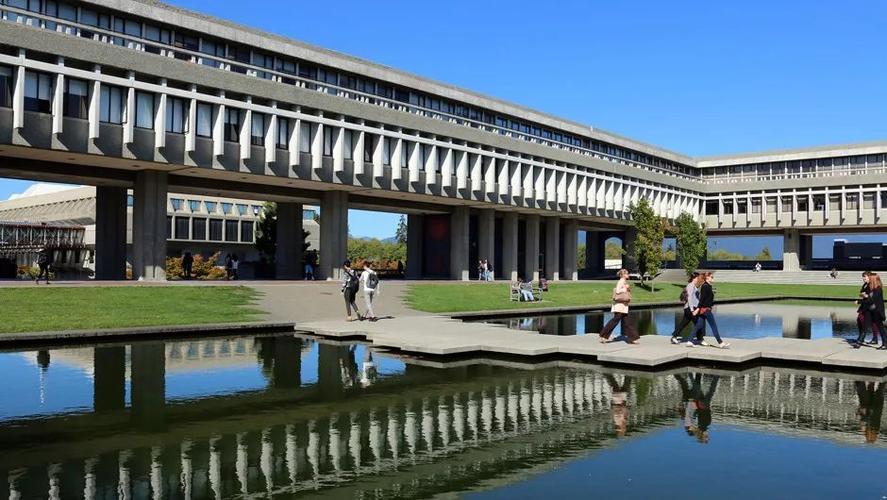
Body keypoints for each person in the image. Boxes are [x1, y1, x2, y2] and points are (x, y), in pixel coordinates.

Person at [684, 272, 730, 348]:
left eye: (712, 277)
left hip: (704, 310)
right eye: (711, 277)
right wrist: (697, 310)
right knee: (713, 326)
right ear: (707, 277)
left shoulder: (708, 286)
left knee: (699, 325)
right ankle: (721, 343)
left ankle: (689, 341)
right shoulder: (705, 286)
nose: (712, 278)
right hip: (706, 310)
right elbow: (702, 300)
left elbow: (706, 298)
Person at [599, 269, 640, 344]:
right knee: (615, 321)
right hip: (620, 306)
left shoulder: (624, 281)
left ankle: (633, 338)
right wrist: (625, 288)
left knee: (627, 322)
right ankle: (603, 335)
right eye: (627, 273)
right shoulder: (621, 281)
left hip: (623, 306)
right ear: (623, 275)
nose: (628, 275)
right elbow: (617, 291)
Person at [670, 272, 705, 344]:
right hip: (690, 308)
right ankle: (700, 339)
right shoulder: (691, 285)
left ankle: (674, 336)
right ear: (694, 278)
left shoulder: (694, 286)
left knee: (684, 323)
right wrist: (692, 309)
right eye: (698, 277)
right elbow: (689, 298)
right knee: (698, 323)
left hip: (690, 308)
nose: (699, 279)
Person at [853, 271, 876, 347]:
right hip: (864, 305)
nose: (863, 278)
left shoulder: (871, 285)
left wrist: (861, 300)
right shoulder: (865, 285)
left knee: (865, 322)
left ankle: (860, 340)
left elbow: (870, 297)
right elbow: (862, 293)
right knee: (860, 320)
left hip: (869, 307)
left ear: (869, 277)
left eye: (864, 277)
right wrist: (862, 295)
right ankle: (862, 338)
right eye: (863, 277)